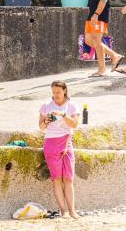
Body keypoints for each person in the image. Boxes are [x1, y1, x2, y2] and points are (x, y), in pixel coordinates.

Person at [39, 80, 79, 219]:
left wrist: (62, 115)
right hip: (50, 143)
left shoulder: (72, 105)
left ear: (64, 91)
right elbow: (41, 127)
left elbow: (74, 124)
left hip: (66, 142)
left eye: (58, 92)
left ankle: (72, 211)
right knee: (57, 179)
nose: (55, 95)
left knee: (68, 179)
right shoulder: (46, 106)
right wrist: (46, 121)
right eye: (53, 92)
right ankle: (63, 211)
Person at [85, 0, 123, 77]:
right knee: (89, 40)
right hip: (92, 13)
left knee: (96, 40)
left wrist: (96, 13)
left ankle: (102, 69)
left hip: (99, 14)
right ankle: (114, 55)